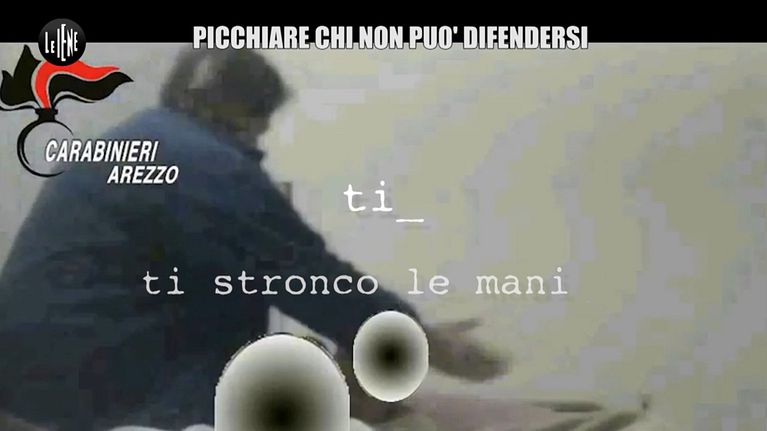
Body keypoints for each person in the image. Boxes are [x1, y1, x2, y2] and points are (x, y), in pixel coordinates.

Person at [0, 48, 507, 430]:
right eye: (258, 129)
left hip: (39, 384)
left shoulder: (132, 144)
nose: (257, 145)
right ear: (241, 112)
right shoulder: (205, 163)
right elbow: (306, 275)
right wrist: (424, 343)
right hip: (87, 398)